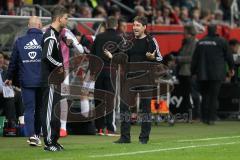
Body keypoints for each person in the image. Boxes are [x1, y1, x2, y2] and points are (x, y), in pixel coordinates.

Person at [114, 16, 162, 144]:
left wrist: (152, 58)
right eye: (134, 25)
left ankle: (144, 138)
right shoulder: (129, 42)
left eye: (138, 25)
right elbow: (124, 59)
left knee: (145, 109)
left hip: (146, 79)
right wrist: (113, 57)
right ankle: (125, 137)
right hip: (130, 79)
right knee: (124, 106)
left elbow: (160, 58)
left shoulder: (151, 41)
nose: (135, 27)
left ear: (144, 27)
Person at [5, 16, 43, 146]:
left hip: (26, 80)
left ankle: (32, 136)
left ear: (28, 26)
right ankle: (37, 135)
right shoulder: (45, 40)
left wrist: (9, 77)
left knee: (29, 109)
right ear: (40, 25)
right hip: (42, 81)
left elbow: (13, 62)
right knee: (39, 109)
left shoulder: (20, 41)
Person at [191, 24, 235, 125]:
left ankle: (204, 118)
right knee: (213, 96)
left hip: (202, 73)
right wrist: (231, 68)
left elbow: (195, 59)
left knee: (205, 95)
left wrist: (192, 72)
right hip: (217, 73)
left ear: (207, 30)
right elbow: (229, 56)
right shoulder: (222, 41)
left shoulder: (201, 42)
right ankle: (211, 118)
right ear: (216, 30)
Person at [41, 6, 68, 151]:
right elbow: (47, 56)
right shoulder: (50, 35)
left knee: (56, 111)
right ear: (59, 19)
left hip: (56, 80)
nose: (67, 21)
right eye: (66, 18)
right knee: (49, 111)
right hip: (50, 80)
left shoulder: (55, 35)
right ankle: (48, 142)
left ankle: (55, 140)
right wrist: (60, 66)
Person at [91, 16, 122, 136]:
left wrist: (92, 72)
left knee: (98, 100)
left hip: (98, 72)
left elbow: (91, 56)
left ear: (106, 24)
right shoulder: (119, 39)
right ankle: (110, 128)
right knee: (110, 100)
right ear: (116, 25)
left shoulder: (98, 37)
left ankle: (99, 128)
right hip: (111, 72)